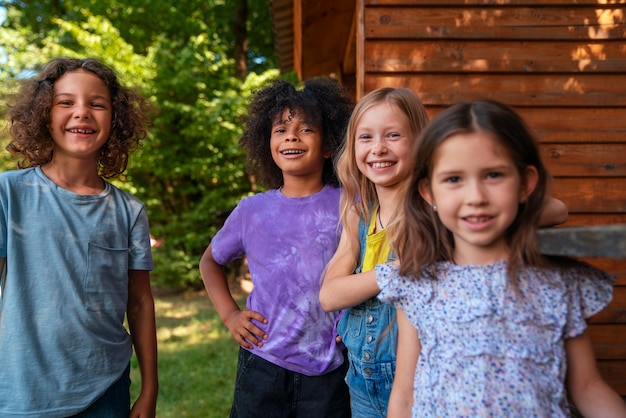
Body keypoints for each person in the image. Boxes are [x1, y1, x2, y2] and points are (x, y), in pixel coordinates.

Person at [319, 89, 569, 417]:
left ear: (422, 143)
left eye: (393, 135)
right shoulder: (359, 214)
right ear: (353, 149)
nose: (379, 148)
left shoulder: (438, 207)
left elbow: (556, 209)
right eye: (366, 137)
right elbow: (329, 296)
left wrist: (468, 210)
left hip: (423, 378)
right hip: (363, 384)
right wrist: (398, 270)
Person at [377, 99, 626, 417]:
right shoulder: (417, 285)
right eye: (454, 179)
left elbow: (588, 387)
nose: (476, 197)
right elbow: (404, 396)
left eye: (493, 175)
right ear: (429, 193)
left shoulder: (557, 284)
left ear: (525, 183)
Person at [0, 58, 158, 417]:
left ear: (115, 120)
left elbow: (140, 304)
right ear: (43, 114)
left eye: (97, 104)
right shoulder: (7, 194)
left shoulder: (129, 211)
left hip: (105, 392)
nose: (82, 113)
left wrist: (150, 390)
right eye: (66, 102)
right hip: (22, 394)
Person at [199, 78, 353, 417]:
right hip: (262, 364)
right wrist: (230, 314)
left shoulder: (350, 205)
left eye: (305, 129)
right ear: (266, 142)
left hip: (331, 369)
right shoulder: (252, 211)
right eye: (280, 129)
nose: (291, 136)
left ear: (329, 144)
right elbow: (210, 262)